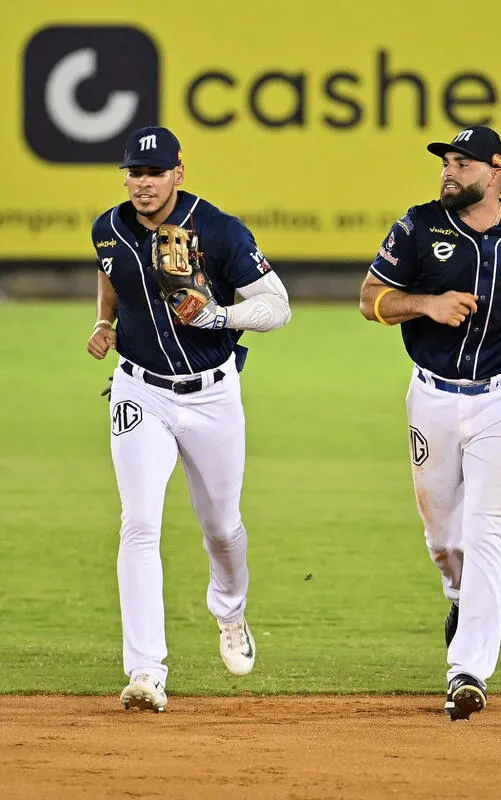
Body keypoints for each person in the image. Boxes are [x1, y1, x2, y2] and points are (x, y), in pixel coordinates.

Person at [359, 125, 501, 721]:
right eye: (446, 162)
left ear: (496, 170)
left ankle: (468, 670)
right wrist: (424, 304)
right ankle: (457, 596)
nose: (449, 172)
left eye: (462, 162)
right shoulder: (417, 226)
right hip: (432, 399)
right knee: (444, 540)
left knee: (487, 534)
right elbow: (369, 297)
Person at [87, 125, 291, 712]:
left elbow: (278, 307)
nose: (142, 183)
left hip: (212, 395)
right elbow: (110, 272)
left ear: (179, 172)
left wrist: (220, 316)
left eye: (154, 173)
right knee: (139, 523)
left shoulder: (220, 230)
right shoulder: (109, 227)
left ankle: (231, 613)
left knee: (222, 529)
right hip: (139, 392)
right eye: (134, 172)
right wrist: (105, 323)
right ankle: (147, 671)